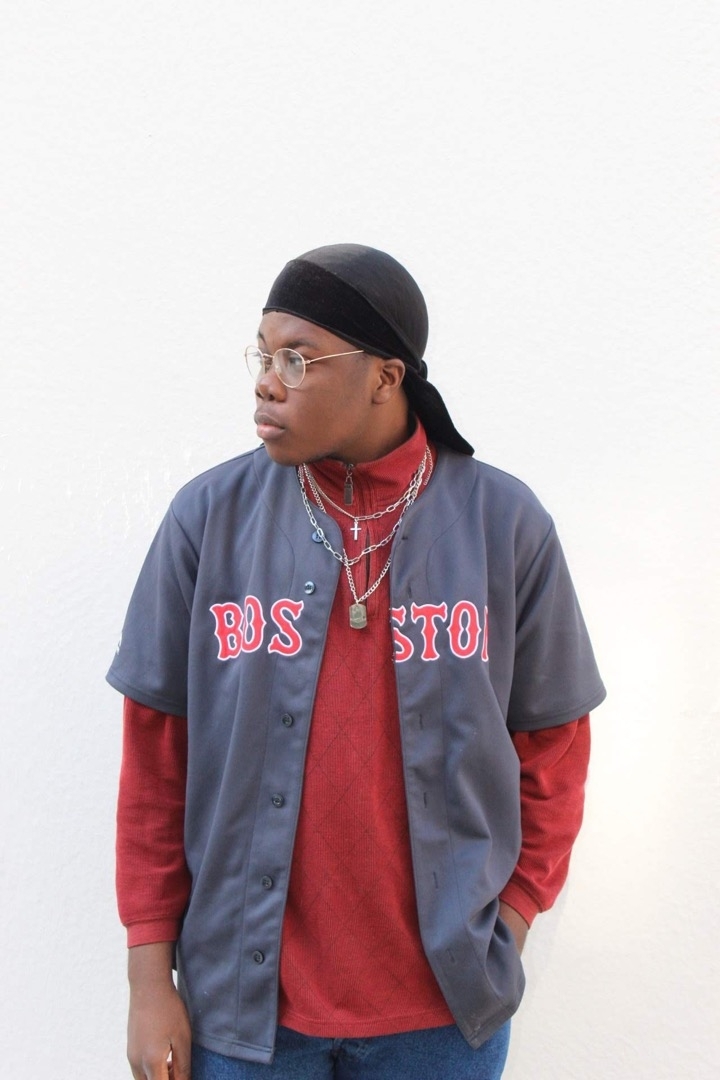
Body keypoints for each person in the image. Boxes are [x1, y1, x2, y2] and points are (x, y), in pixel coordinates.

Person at [108, 243, 606, 1080]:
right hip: (243, 1016)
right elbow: (155, 765)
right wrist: (148, 981)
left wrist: (509, 923)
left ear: (385, 377)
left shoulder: (505, 526)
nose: (268, 383)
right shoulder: (207, 521)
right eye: (263, 356)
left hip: (441, 1022)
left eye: (298, 359)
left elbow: (554, 751)